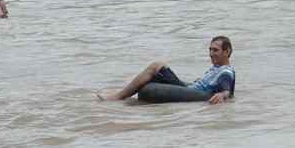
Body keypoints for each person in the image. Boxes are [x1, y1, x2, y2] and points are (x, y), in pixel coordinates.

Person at [98, 36, 235, 104]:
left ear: (227, 51)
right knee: (155, 73)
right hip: (191, 87)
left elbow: (227, 90)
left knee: (157, 65)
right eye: (210, 49)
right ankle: (123, 95)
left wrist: (222, 96)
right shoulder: (216, 68)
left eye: (215, 50)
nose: (211, 53)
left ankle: (118, 97)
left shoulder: (226, 72)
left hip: (194, 92)